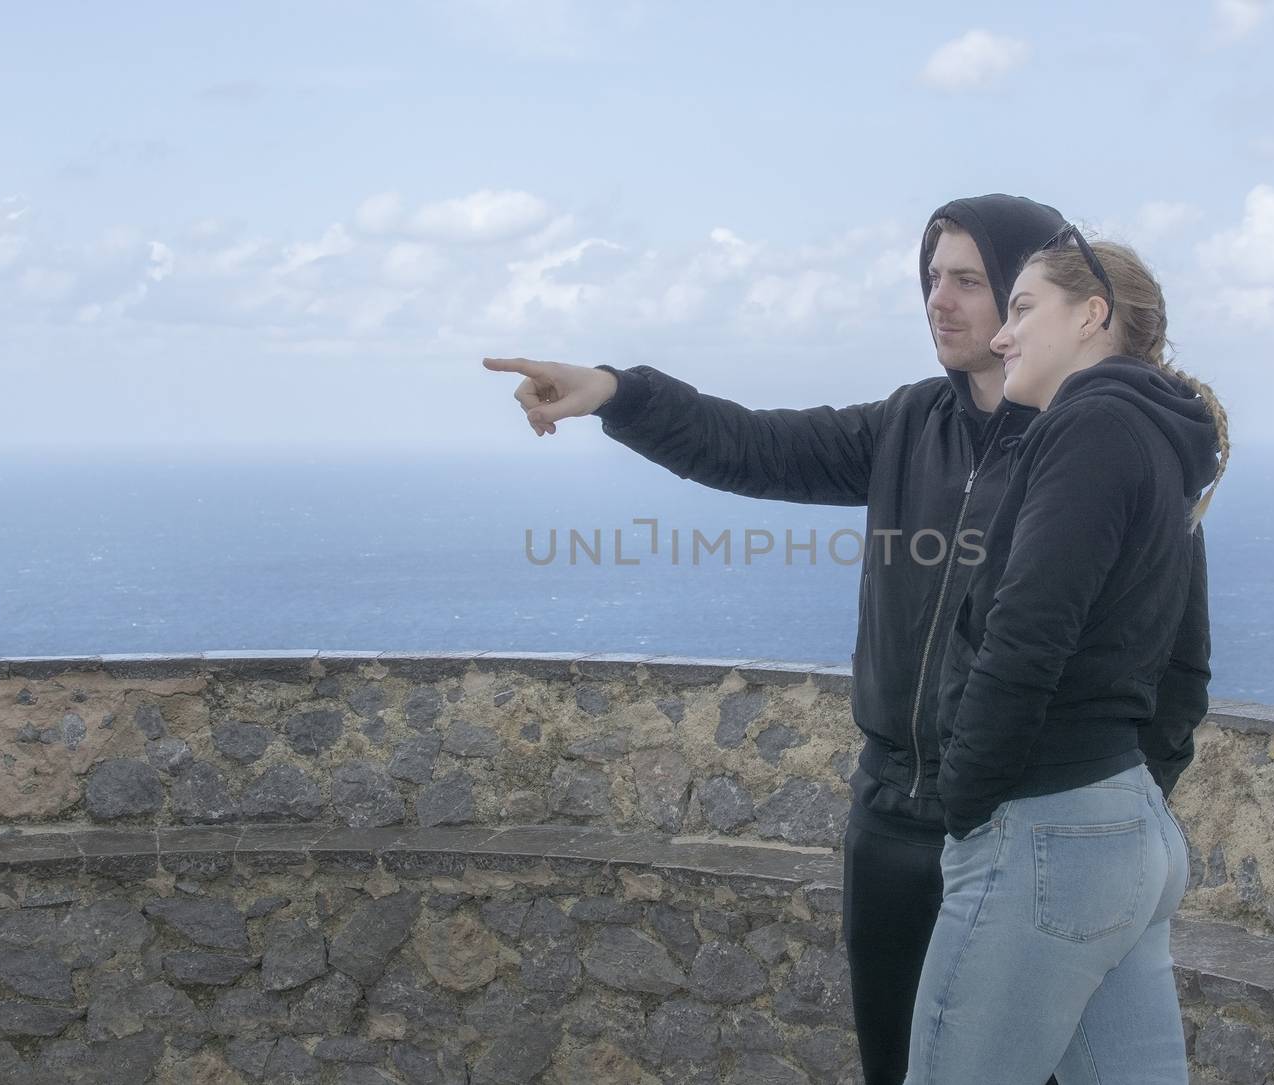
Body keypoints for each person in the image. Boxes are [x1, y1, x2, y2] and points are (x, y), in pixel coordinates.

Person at [483, 197, 1209, 1085]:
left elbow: (1175, 654)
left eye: (975, 283)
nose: (941, 300)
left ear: (1041, 290)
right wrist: (618, 392)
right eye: (932, 277)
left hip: (1005, 820)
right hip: (893, 827)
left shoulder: (1083, 444)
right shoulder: (907, 425)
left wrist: (1115, 791)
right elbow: (754, 445)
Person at [902, 229, 1229, 1085]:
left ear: (1092, 316)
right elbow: (1184, 667)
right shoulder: (1157, 441)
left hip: (1042, 826)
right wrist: (1126, 796)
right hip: (1124, 836)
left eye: (1020, 307)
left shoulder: (1089, 428)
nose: (1002, 334)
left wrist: (968, 801)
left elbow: (1027, 632)